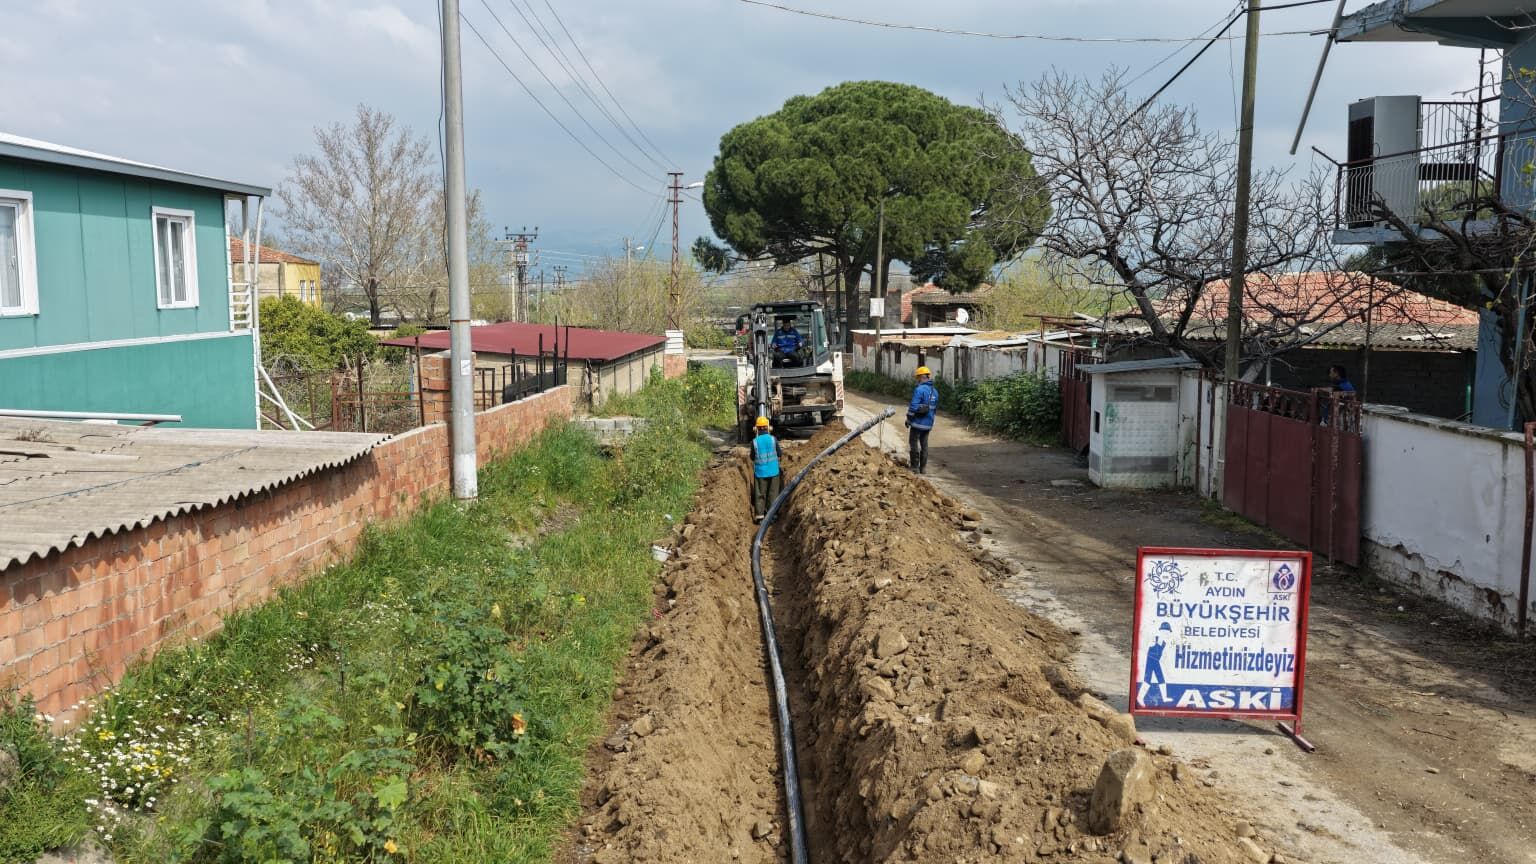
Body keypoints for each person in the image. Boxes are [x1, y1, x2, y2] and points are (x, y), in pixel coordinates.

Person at [906, 366, 939, 474]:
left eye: (918, 377)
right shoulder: (935, 392)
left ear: (921, 377)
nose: (917, 380)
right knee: (924, 445)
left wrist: (909, 419)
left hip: (917, 423)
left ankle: (915, 467)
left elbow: (913, 407)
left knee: (913, 442)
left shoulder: (919, 389)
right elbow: (934, 409)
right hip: (928, 424)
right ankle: (923, 468)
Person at [749, 416, 782, 523]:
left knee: (760, 494)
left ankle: (760, 516)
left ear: (756, 429)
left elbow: (752, 457)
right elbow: (780, 453)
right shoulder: (773, 439)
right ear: (768, 428)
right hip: (773, 471)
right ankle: (772, 515)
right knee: (773, 493)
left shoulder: (754, 442)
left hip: (760, 473)